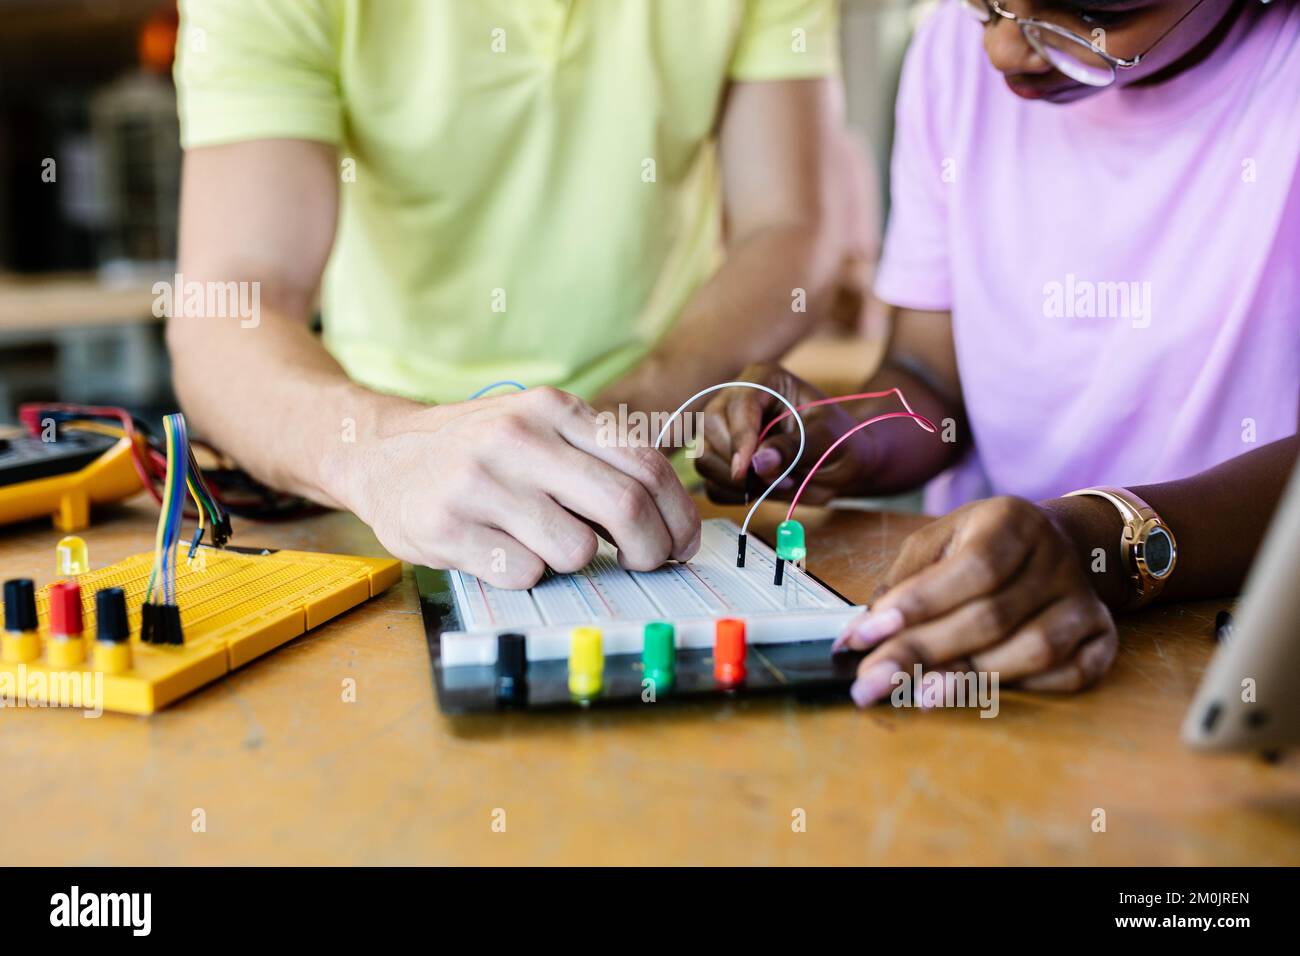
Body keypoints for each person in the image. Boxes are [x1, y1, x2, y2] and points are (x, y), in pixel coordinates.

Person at [699, 0, 1300, 706]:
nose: (1006, 53)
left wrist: (1100, 540)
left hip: (1240, 653)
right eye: (984, 3)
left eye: (1089, 13)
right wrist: (838, 430)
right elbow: (930, 376)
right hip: (999, 649)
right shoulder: (950, 59)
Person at [167, 0, 848, 587]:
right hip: (381, 502)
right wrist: (382, 451)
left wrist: (618, 424)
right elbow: (227, 300)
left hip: (662, 487)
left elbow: (791, 225)